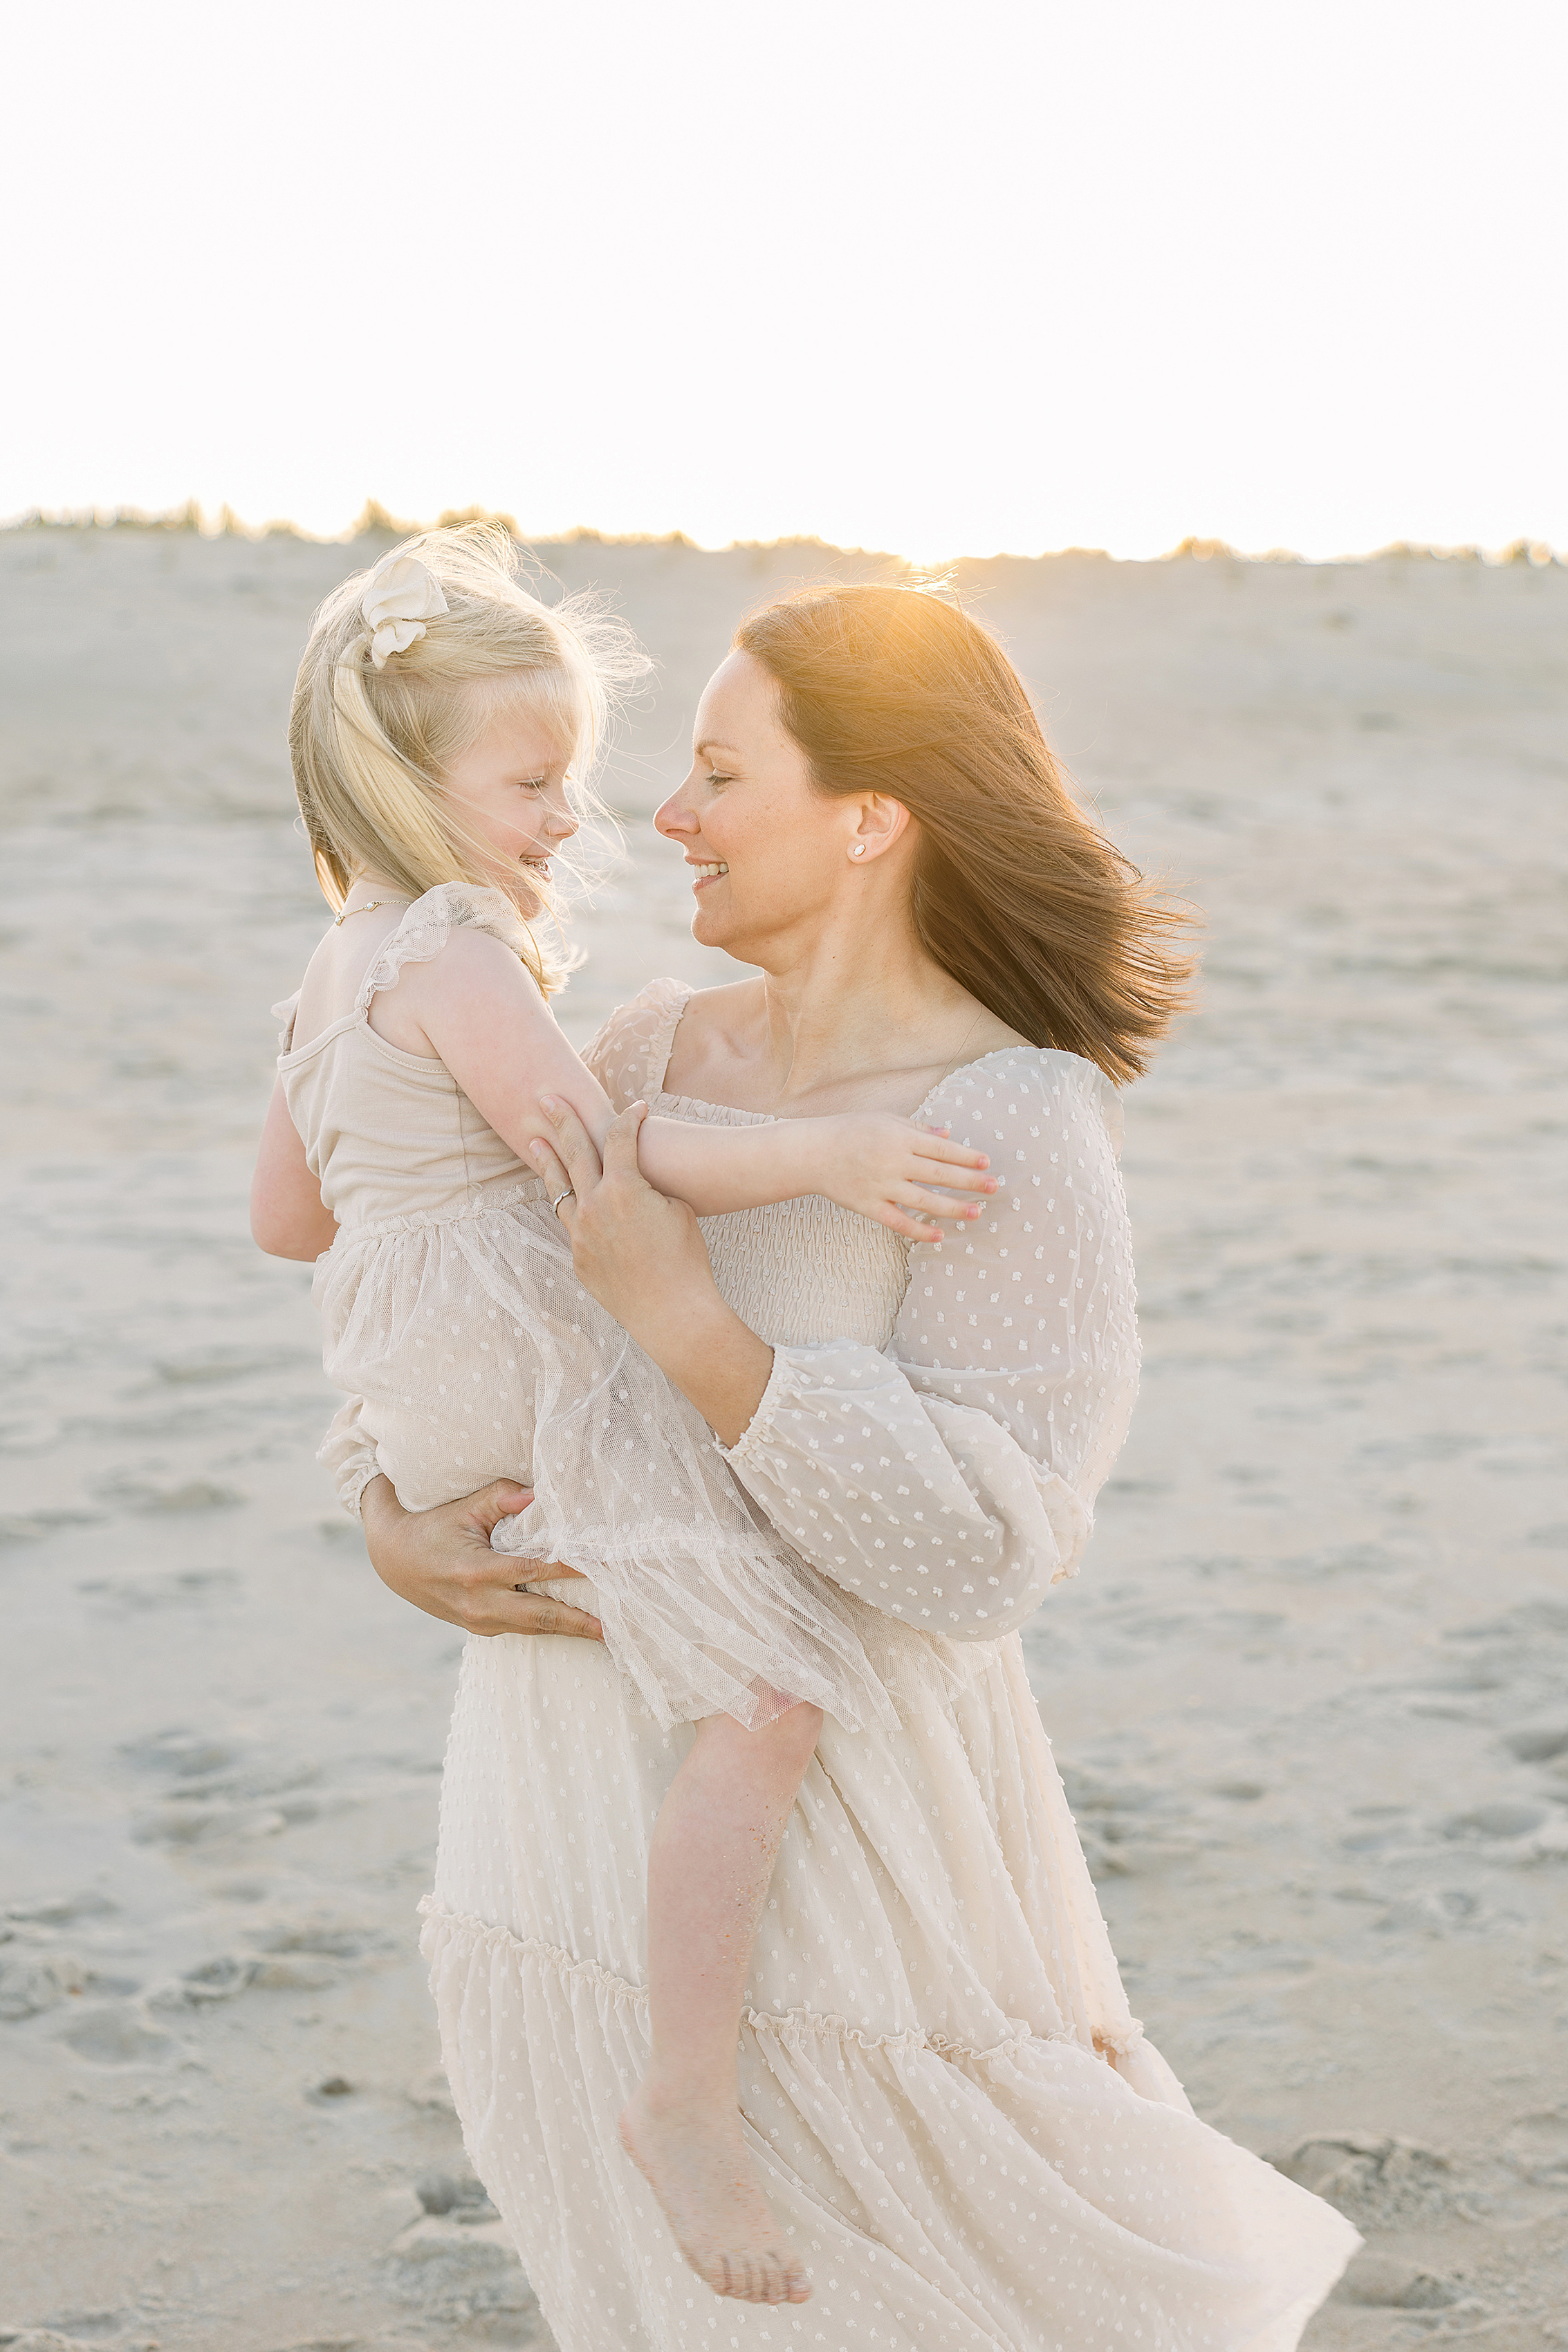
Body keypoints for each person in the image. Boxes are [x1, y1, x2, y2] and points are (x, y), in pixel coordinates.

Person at [340, 580, 1363, 2349]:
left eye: (721, 771)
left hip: (849, 1832)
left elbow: (987, 1554)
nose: (664, 816)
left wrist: (700, 1329)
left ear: (870, 815)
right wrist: (384, 1518)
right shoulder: (647, 1050)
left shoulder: (1010, 1114)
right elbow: (450, 1268)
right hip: (580, 1788)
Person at [250, 529, 997, 2307]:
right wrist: (821, 1151)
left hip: (404, 1373)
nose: (573, 816)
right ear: (405, 781)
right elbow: (599, 1151)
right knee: (769, 1696)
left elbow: (288, 1219)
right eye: (534, 781)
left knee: (674, 1657)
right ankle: (684, 2097)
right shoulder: (450, 944)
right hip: (523, 1346)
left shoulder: (331, 968)